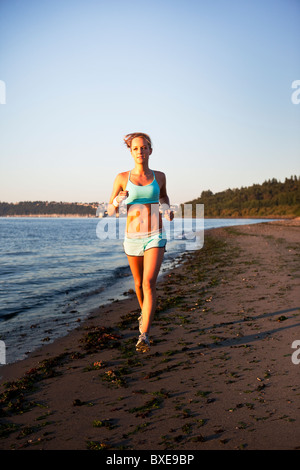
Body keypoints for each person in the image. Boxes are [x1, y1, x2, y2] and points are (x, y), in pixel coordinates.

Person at [107, 132, 174, 352]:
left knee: (148, 283)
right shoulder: (121, 177)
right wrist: (118, 199)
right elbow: (109, 210)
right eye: (135, 148)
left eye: (144, 147)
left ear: (150, 151)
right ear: (131, 151)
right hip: (132, 238)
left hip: (155, 235)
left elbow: (163, 197)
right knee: (137, 284)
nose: (140, 151)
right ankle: (144, 315)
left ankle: (143, 335)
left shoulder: (160, 176)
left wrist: (166, 210)